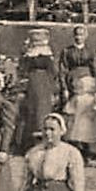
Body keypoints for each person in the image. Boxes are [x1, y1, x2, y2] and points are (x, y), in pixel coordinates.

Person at [12, 29, 59, 157]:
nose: (37, 40)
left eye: (39, 37)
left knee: (42, 112)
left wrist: (54, 90)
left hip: (44, 85)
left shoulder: (47, 53)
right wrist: (21, 87)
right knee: (29, 113)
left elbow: (53, 72)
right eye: (34, 38)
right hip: (30, 84)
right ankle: (27, 145)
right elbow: (21, 71)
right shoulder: (28, 53)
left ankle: (43, 143)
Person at [59, 25, 96, 99]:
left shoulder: (90, 51)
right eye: (77, 35)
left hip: (87, 80)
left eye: (81, 35)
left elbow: (95, 68)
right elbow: (63, 69)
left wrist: (95, 84)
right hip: (72, 79)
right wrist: (64, 88)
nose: (78, 37)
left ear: (85, 36)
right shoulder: (67, 51)